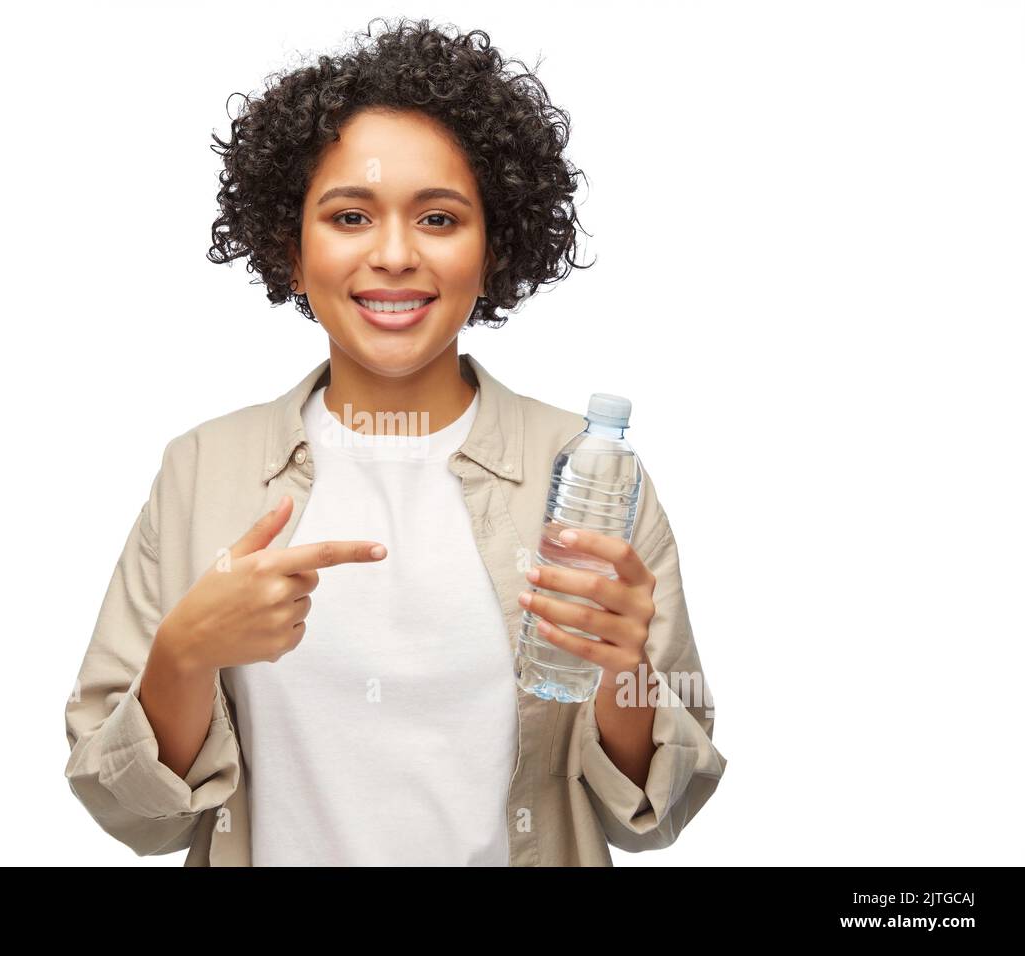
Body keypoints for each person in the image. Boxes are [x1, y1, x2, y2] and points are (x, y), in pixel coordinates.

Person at [63, 16, 726, 866]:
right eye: (349, 216)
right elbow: (131, 814)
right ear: (289, 249)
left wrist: (624, 669)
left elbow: (662, 810)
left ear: (494, 250)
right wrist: (185, 656)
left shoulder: (588, 475)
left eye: (440, 219)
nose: (394, 255)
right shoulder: (202, 469)